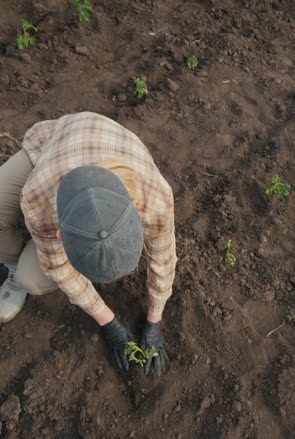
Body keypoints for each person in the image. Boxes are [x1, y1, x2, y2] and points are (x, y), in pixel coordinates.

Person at [0, 112, 177, 376]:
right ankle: (13, 263)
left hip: (100, 141)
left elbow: (163, 260)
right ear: (60, 235)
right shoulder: (38, 198)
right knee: (29, 278)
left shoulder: (156, 200)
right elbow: (58, 268)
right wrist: (109, 322)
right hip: (52, 146)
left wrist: (155, 320)